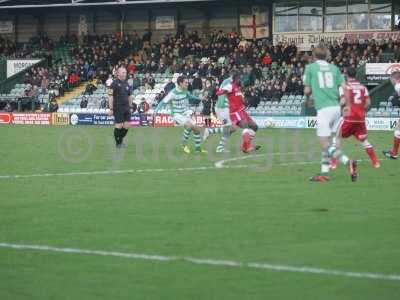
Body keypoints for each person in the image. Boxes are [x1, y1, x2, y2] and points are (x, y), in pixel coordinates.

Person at [303, 46, 357, 182]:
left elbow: (307, 90)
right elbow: (344, 87)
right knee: (326, 143)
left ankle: (347, 161)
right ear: (327, 55)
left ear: (314, 56)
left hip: (323, 109)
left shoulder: (310, 68)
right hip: (336, 108)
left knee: (324, 144)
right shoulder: (334, 68)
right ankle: (324, 174)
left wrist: (308, 99)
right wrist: (347, 105)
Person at [333, 67, 380, 169]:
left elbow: (343, 102)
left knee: (336, 137)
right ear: (356, 75)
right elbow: (368, 103)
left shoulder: (344, 87)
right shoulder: (363, 87)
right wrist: (361, 110)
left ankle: (333, 163)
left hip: (349, 118)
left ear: (346, 75)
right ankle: (376, 162)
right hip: (360, 119)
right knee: (364, 141)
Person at [155, 76, 207, 154]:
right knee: (189, 125)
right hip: (176, 114)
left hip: (185, 113)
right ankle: (183, 144)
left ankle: (198, 149)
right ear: (180, 83)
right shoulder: (172, 93)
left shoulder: (185, 91)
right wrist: (156, 111)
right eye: (185, 82)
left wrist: (200, 99)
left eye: (187, 82)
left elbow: (191, 96)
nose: (187, 84)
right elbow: (163, 102)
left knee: (197, 129)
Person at [217, 71, 259, 153]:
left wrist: (245, 100)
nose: (241, 80)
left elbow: (241, 99)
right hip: (235, 112)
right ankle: (248, 147)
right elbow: (218, 92)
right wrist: (223, 91)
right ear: (236, 78)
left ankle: (244, 146)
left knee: (254, 127)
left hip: (242, 111)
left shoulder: (238, 88)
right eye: (240, 78)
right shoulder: (230, 86)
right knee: (245, 126)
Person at [108, 67, 132, 149]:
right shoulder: (113, 84)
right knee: (119, 125)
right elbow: (110, 96)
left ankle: (119, 138)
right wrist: (111, 109)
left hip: (126, 108)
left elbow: (129, 96)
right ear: (118, 73)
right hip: (118, 108)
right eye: (123, 72)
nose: (125, 74)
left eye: (125, 72)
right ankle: (118, 143)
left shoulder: (127, 83)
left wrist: (131, 106)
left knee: (126, 126)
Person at [383, 71, 400, 159]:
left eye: (391, 79)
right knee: (397, 131)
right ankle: (394, 153)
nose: (390, 81)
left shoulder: (397, 86)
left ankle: (394, 153)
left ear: (394, 79)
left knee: (397, 131)